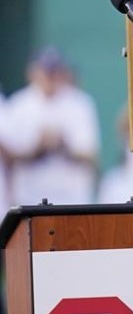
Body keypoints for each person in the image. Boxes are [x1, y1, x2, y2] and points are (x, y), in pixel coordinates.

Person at [0, 46, 100, 206]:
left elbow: (90, 156)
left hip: (71, 198)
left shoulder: (79, 103)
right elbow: (9, 159)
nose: (50, 76)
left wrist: (62, 144)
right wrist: (38, 147)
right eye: (45, 71)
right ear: (32, 72)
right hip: (29, 198)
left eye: (54, 71)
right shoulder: (18, 105)